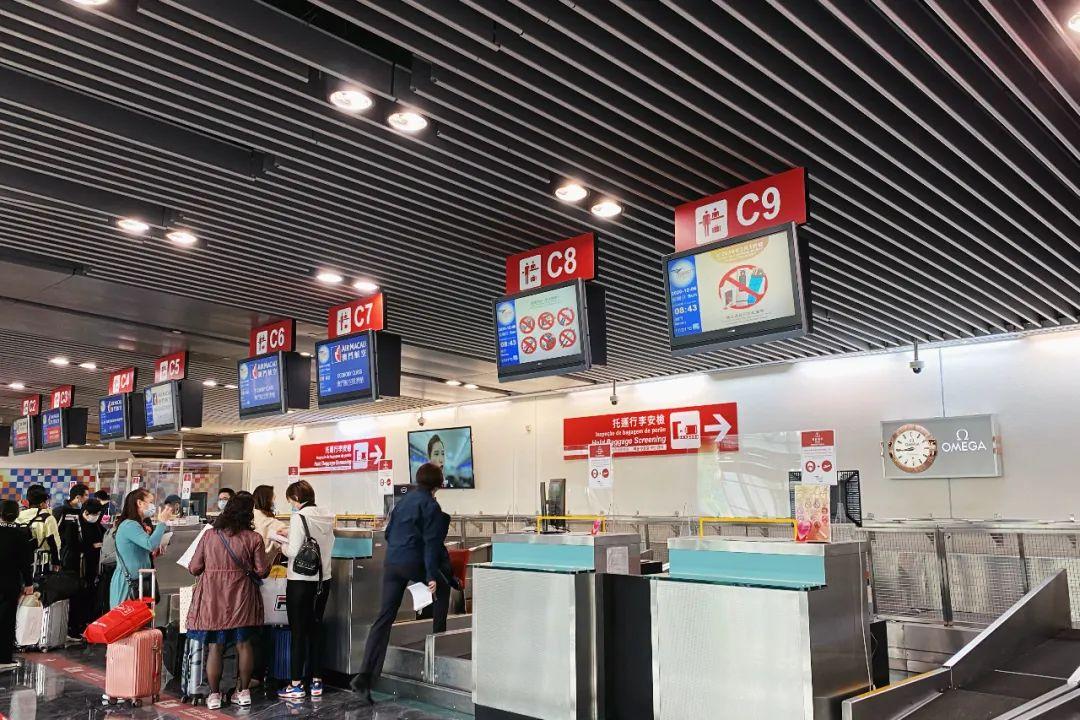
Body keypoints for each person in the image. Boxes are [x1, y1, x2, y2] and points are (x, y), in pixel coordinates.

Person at [351, 463, 446, 702]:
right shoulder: (431, 506)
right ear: (439, 483)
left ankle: (364, 677)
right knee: (444, 586)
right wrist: (430, 576)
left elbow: (388, 533)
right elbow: (431, 544)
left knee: (384, 617)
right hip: (413, 562)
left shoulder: (403, 502)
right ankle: (440, 644)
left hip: (392, 561)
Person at [185, 494, 271, 710]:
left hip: (213, 599)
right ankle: (243, 693)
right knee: (244, 644)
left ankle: (214, 696)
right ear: (248, 513)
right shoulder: (254, 538)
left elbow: (194, 567)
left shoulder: (209, 535)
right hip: (242, 597)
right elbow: (262, 571)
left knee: (215, 646)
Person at [276, 480, 334, 701]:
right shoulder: (326, 516)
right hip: (323, 580)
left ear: (297, 498)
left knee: (298, 632)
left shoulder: (298, 517)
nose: (291, 504)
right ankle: (317, 681)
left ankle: (296, 684)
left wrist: (280, 543)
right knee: (315, 629)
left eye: (291, 500)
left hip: (300, 582)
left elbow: (292, 551)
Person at [109, 489, 174, 609]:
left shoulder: (137, 524)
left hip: (140, 582)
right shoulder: (129, 525)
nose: (153, 506)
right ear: (139, 503)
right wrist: (162, 522)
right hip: (128, 584)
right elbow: (150, 544)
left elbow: (140, 550)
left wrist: (156, 550)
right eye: (150, 502)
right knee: (126, 618)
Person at [0, 501, 32, 671]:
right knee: (6, 620)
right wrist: (29, 582)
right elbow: (25, 563)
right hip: (10, 582)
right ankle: (4, 658)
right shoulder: (20, 534)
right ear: (17, 514)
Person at [18, 485, 61, 567]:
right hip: (41, 562)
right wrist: (56, 562)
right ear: (42, 503)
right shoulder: (48, 518)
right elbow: (55, 542)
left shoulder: (19, 516)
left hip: (20, 560)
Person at [252, 485, 286, 559]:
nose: (274, 502)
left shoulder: (247, 518)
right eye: (273, 499)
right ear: (267, 501)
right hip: (265, 563)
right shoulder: (277, 525)